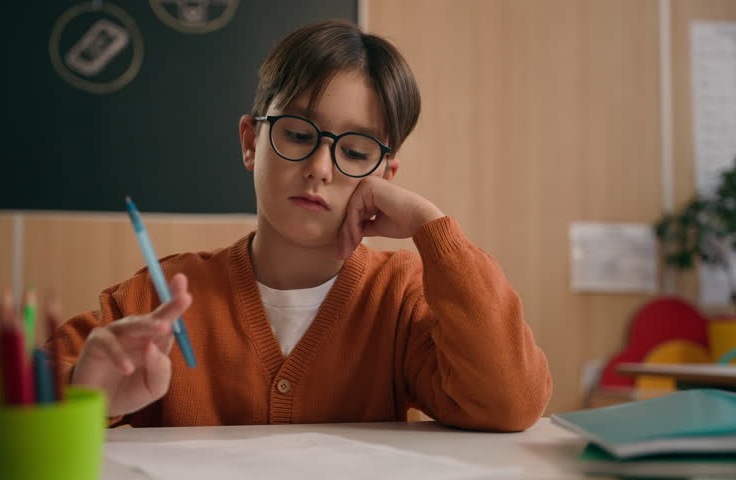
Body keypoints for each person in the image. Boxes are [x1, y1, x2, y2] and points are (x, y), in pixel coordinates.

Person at [49, 19, 551, 431]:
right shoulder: (159, 300)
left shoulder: (400, 299)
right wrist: (84, 398)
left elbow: (509, 404)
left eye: (356, 151)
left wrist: (431, 226)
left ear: (386, 174)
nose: (321, 168)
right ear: (250, 142)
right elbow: (1, 397)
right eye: (296, 134)